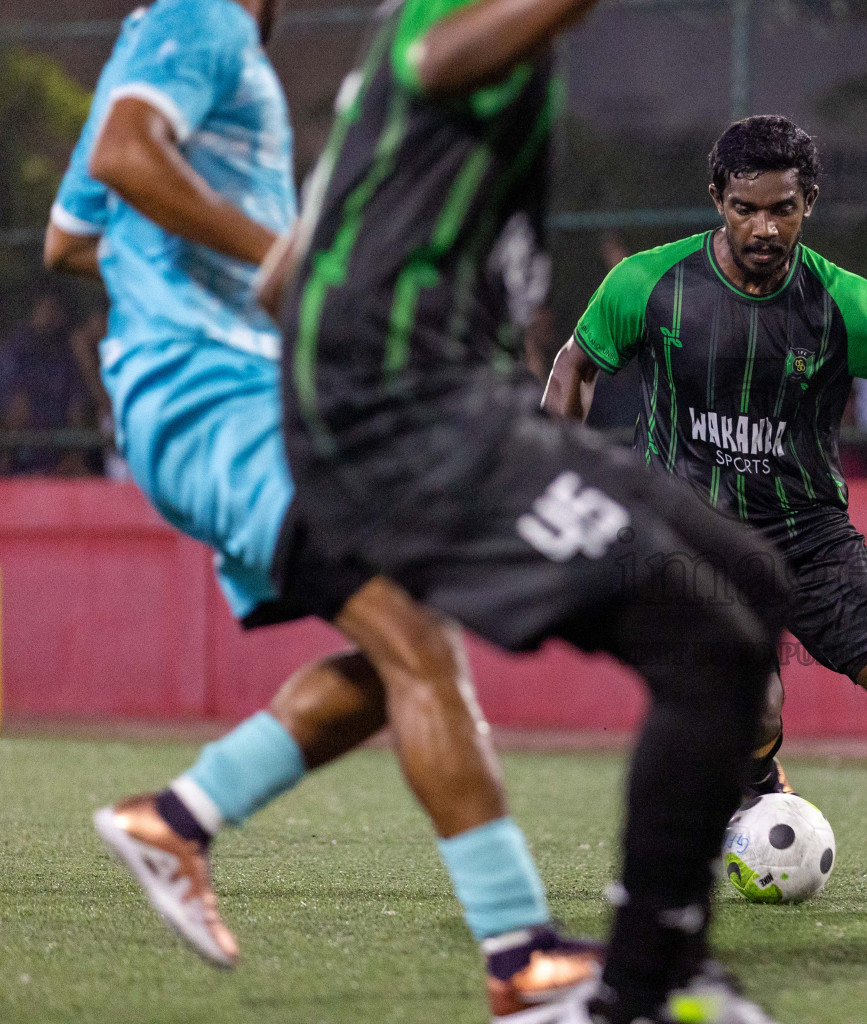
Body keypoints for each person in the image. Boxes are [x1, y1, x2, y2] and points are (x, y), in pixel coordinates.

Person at [54, 2, 789, 1023]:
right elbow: (430, 58)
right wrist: (285, 277)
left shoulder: (265, 64)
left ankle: (184, 815)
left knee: (746, 581)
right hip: (370, 415)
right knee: (591, 640)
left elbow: (69, 233)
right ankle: (574, 970)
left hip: (423, 398)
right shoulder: (224, 19)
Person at [543, 115, 867, 905]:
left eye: (781, 207)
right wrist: (556, 478)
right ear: (717, 198)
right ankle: (753, 790)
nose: (763, 226)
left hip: (809, 534)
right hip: (691, 532)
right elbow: (576, 366)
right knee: (749, 698)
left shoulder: (843, 302)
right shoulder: (648, 283)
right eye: (746, 207)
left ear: (808, 203)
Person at [0, 288, 96, 475]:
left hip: (59, 466)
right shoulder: (15, 352)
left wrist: (72, 457)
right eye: (48, 308)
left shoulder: (66, 355)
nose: (53, 317)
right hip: (18, 463)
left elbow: (77, 411)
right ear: (35, 309)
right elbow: (15, 413)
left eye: (57, 311)